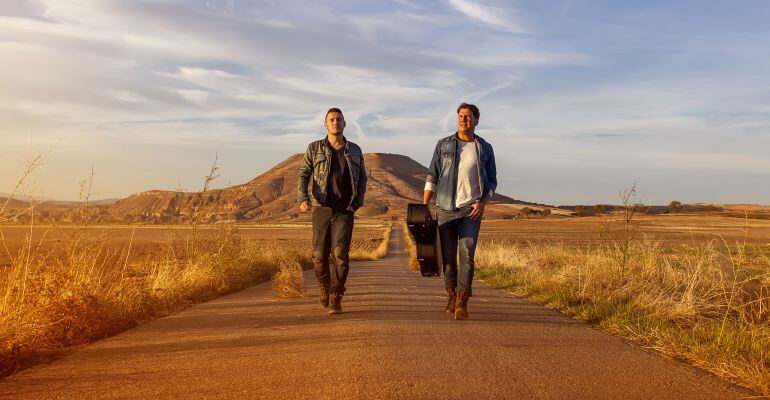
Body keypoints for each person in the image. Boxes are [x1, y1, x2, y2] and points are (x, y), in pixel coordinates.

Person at [423, 103, 497, 320]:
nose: (464, 120)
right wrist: (424, 205)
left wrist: (483, 202)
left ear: (476, 121)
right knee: (448, 257)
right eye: (461, 116)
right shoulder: (443, 145)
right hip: (445, 209)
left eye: (468, 117)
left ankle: (462, 299)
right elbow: (432, 176)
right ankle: (451, 293)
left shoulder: (484, 148)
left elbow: (492, 181)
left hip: (470, 211)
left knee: (467, 255)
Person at [297, 108, 367, 315]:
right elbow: (303, 174)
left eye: (339, 119)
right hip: (321, 208)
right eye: (331, 120)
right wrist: (303, 198)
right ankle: (324, 287)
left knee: (340, 254)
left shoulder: (354, 150)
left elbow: (362, 178)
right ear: (325, 124)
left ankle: (336, 294)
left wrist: (357, 203)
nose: (335, 122)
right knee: (319, 255)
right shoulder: (314, 148)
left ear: (345, 124)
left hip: (344, 210)